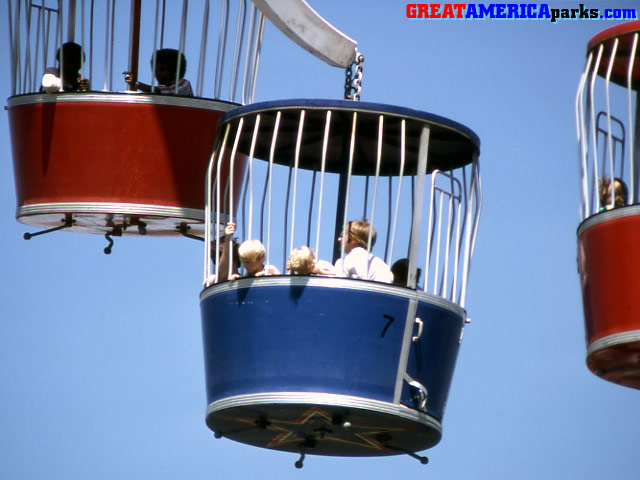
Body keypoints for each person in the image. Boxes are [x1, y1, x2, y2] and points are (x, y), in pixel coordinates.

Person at [124, 48, 193, 96]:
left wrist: (135, 83)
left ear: (174, 70)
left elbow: (158, 91)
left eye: (162, 69)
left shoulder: (184, 84)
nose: (158, 73)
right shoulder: (164, 90)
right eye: (156, 70)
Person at [204, 222, 241, 286]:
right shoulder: (212, 280)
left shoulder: (245, 279)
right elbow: (222, 274)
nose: (226, 262)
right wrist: (227, 238)